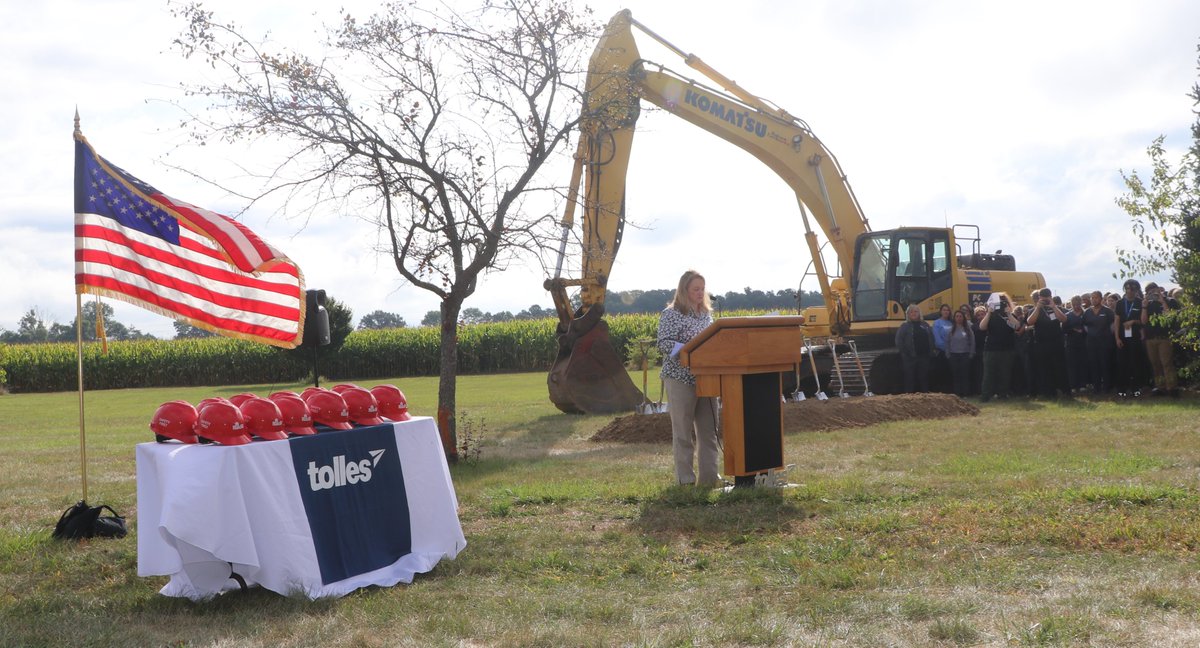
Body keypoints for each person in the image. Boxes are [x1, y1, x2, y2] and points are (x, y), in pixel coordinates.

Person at [657, 270, 720, 487]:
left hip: (706, 379)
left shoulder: (706, 315)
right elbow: (664, 343)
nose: (700, 293)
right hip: (679, 378)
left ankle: (710, 480)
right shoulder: (671, 314)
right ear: (684, 290)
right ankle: (685, 480)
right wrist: (691, 350)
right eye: (695, 289)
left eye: (702, 289)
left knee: (709, 431)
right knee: (683, 433)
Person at [1025, 287, 1069, 398]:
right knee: (1044, 369)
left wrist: (1053, 306)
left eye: (1047, 298)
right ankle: (1048, 392)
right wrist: (1038, 308)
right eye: (1042, 298)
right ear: (1039, 298)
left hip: (1056, 343)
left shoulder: (1056, 308)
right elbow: (1030, 322)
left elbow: (1064, 319)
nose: (1045, 300)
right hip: (1040, 344)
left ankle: (1065, 391)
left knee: (1060, 367)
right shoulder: (1034, 310)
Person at [1141, 282, 1180, 396]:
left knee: (1167, 363)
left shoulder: (1170, 301)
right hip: (1150, 338)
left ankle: (1172, 388)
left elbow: (1170, 317)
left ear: (1158, 289)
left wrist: (1162, 301)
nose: (1152, 293)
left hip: (1165, 337)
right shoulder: (1147, 304)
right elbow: (1143, 321)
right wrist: (1144, 306)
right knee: (1155, 364)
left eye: (1154, 290)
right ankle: (1160, 387)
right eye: (1149, 292)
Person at [979, 292, 1019, 402]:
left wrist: (1009, 314)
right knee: (988, 373)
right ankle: (986, 395)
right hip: (991, 349)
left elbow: (1016, 326)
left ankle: (1003, 394)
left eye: (1003, 301)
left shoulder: (1010, 315)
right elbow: (982, 327)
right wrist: (989, 312)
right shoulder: (991, 315)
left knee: (1005, 373)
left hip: (1007, 349)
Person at [1113, 279, 1149, 397]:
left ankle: (1136, 388)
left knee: (1136, 363)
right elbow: (1117, 321)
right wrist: (1117, 337)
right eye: (1127, 288)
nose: (1129, 291)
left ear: (1136, 290)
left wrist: (1133, 321)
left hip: (1135, 337)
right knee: (1122, 363)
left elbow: (1144, 321)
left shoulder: (1140, 302)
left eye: (1132, 289)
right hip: (1123, 337)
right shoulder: (1119, 303)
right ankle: (1122, 388)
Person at [1081, 289, 1116, 394]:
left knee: (1105, 364)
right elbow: (1084, 325)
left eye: (1096, 297)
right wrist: (1092, 333)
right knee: (1094, 365)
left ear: (1101, 299)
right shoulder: (1087, 312)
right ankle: (1096, 388)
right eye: (1092, 297)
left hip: (1105, 342)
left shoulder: (1107, 311)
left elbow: (1113, 324)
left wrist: (1107, 334)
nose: (1093, 299)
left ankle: (1107, 387)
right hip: (1091, 342)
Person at [895, 304, 935, 393]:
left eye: (916, 311)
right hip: (910, 358)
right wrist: (905, 354)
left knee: (924, 377)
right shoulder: (904, 326)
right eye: (911, 312)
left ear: (919, 313)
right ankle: (909, 398)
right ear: (908, 314)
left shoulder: (925, 325)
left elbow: (931, 338)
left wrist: (931, 351)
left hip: (924, 356)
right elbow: (899, 341)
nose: (914, 313)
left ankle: (925, 396)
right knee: (909, 378)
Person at [946, 309, 975, 397]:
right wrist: (948, 354)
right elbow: (947, 342)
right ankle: (957, 394)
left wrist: (971, 353)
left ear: (963, 318)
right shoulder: (951, 329)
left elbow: (972, 342)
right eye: (957, 316)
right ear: (954, 318)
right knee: (956, 375)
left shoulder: (968, 329)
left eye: (960, 316)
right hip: (954, 355)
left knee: (965, 375)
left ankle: (966, 393)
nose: (958, 318)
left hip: (965, 355)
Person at [1063, 295, 1089, 393]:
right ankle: (1073, 385)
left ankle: (1083, 384)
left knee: (1083, 363)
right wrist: (1073, 329)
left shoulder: (1086, 314)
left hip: (1083, 342)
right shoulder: (1068, 315)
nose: (1076, 306)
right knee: (1072, 364)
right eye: (1074, 304)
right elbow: (1064, 329)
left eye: (1078, 304)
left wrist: (1082, 330)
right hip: (1071, 342)